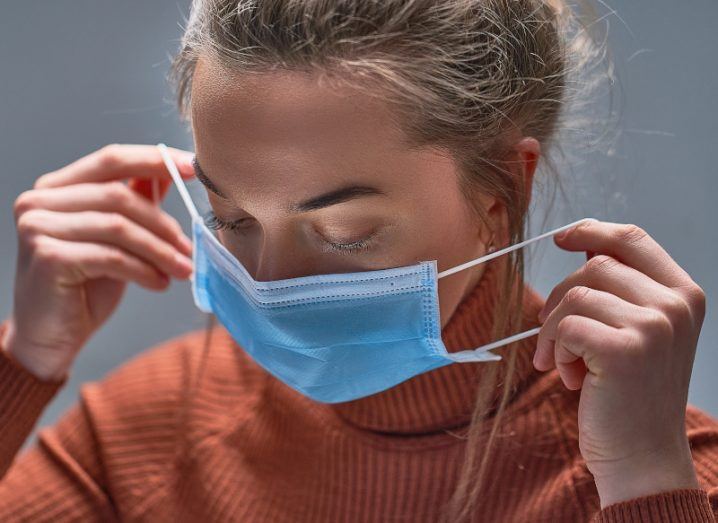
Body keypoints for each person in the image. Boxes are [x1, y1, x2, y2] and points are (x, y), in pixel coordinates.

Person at [1, 1, 716, 521]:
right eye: (230, 217)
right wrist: (24, 359)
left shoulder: (657, 468)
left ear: (502, 192)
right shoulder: (143, 432)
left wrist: (647, 482)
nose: (268, 285)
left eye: (343, 232)